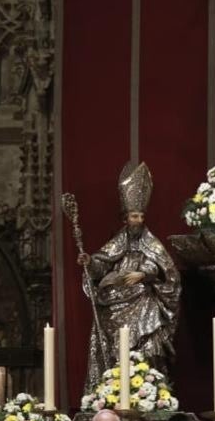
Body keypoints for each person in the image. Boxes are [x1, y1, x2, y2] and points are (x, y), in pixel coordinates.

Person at [77, 162, 181, 391]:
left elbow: (165, 269)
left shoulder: (151, 243)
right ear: (125, 219)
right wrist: (89, 262)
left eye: (141, 216)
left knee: (148, 346)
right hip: (116, 302)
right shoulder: (118, 241)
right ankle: (116, 388)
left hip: (143, 300)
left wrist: (143, 273)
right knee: (118, 350)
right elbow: (102, 262)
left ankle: (149, 390)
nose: (139, 220)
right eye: (134, 216)